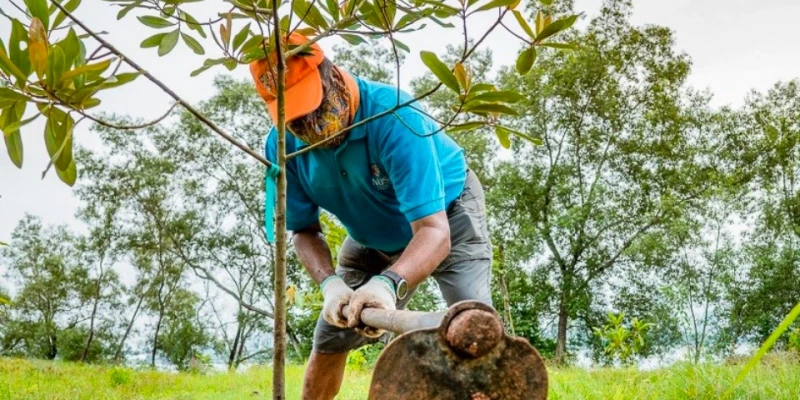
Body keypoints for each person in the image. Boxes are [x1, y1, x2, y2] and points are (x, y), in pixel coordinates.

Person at [250, 33, 493, 400]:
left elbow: (433, 232)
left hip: (448, 218)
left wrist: (386, 284)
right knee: (331, 332)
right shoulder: (282, 145)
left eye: (313, 108)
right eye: (294, 119)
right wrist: (330, 285)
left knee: (477, 329)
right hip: (369, 234)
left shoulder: (394, 117)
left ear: (332, 75)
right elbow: (302, 230)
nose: (308, 127)